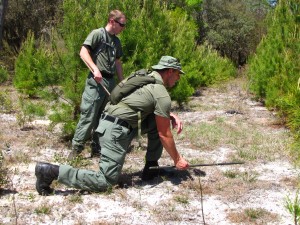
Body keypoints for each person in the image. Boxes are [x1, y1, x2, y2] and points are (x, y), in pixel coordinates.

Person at [35, 56, 190, 195]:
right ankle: (51, 172)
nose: (178, 79)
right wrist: (177, 159)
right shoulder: (160, 91)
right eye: (178, 74)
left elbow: (134, 103)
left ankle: (150, 169)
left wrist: (169, 115)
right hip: (116, 131)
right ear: (170, 71)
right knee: (106, 182)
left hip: (110, 124)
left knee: (160, 122)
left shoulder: (144, 77)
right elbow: (164, 134)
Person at [69, 9, 126, 159]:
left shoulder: (116, 41)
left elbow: (118, 62)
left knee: (104, 117)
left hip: (110, 82)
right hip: (96, 82)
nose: (123, 28)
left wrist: (122, 83)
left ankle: (97, 148)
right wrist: (95, 69)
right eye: (121, 24)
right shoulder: (97, 34)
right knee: (89, 116)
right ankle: (75, 151)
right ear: (112, 21)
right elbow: (83, 52)